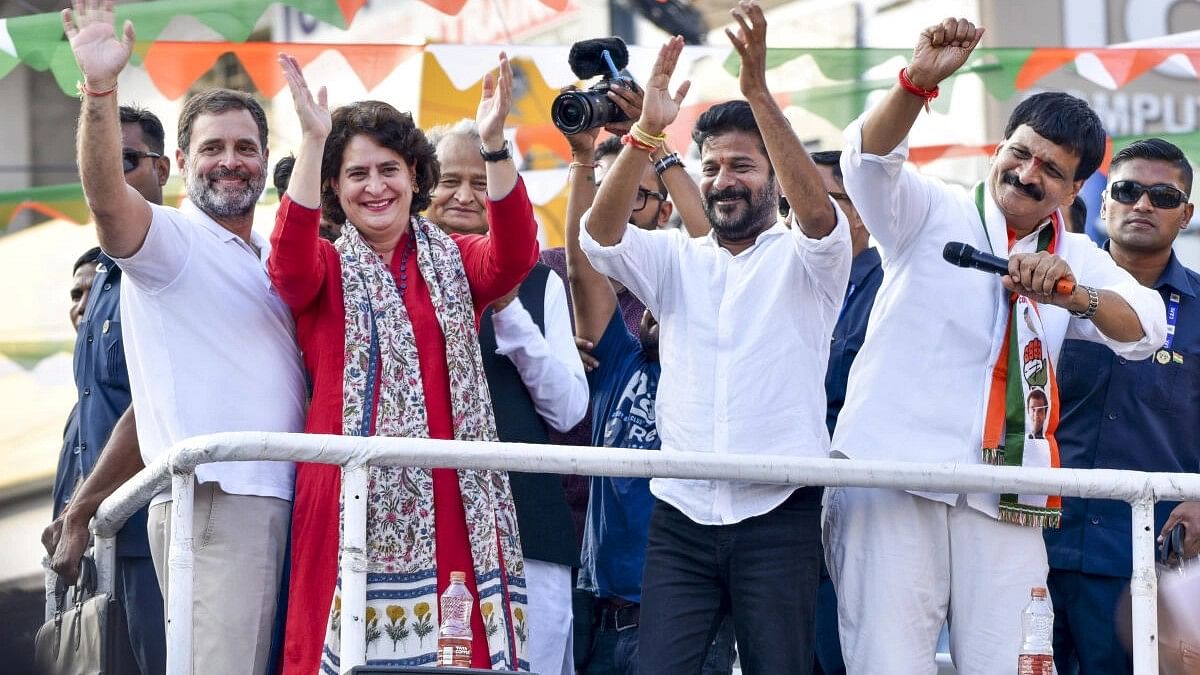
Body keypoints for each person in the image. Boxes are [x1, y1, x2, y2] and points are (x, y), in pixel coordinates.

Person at [827, 16, 1167, 674]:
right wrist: (915, 83)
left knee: (1015, 663)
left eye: (1051, 169)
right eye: (1021, 152)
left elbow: (1148, 327)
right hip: (895, 476)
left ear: (1072, 192)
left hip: (1009, 494)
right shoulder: (933, 211)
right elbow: (866, 164)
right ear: (1001, 148)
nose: (1027, 172)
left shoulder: (1077, 255)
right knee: (886, 663)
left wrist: (1076, 297)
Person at [580, 3, 851, 671]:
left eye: (743, 166)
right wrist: (646, 129)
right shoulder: (677, 257)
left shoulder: (809, 256)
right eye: (713, 166)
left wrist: (759, 93)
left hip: (779, 515)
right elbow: (599, 237)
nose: (725, 180)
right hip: (681, 516)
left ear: (774, 179)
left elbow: (818, 216)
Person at [270, 53, 537, 672]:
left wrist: (494, 145)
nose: (375, 186)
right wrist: (313, 142)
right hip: (349, 491)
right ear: (333, 188)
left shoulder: (457, 259)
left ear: (417, 176)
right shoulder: (325, 267)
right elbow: (286, 265)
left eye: (389, 169)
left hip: (457, 492)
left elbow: (516, 256)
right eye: (355, 173)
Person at [62, 5, 308, 673]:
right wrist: (100, 89)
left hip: (297, 498)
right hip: (220, 499)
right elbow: (107, 199)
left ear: (264, 160)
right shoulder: (170, 239)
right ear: (180, 163)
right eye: (213, 148)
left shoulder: (274, 252)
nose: (231, 162)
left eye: (245, 147)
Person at [561, 101, 734, 675]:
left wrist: (661, 148)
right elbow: (584, 261)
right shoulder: (616, 354)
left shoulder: (720, 356)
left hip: (692, 620)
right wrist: (584, 161)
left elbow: (724, 257)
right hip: (608, 622)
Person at [426, 118, 589, 675]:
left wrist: (508, 307)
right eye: (449, 181)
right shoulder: (388, 274)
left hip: (528, 527)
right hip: (423, 528)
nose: (465, 196)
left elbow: (569, 409)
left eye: (482, 181)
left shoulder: (540, 281)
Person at [1044, 137, 1200, 675]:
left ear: (1186, 214)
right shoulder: (1049, 290)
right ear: (1104, 202)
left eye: (1162, 195)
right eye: (1128, 190)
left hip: (1149, 554)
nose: (1142, 205)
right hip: (1031, 539)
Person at [42, 105, 171, 675]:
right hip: (99, 552)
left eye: (127, 160)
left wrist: (80, 512)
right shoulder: (101, 283)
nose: (111, 174)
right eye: (99, 161)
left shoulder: (170, 263)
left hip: (155, 537)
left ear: (165, 169)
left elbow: (156, 404)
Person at [811, 149, 881, 675]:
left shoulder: (889, 287)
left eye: (815, 200)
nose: (799, 217)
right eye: (790, 203)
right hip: (783, 503)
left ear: (857, 210)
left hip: (859, 506)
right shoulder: (787, 275)